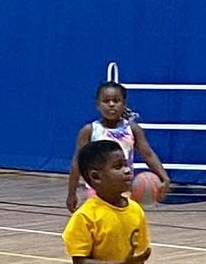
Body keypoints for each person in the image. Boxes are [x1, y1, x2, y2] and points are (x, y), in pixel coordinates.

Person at [66, 81, 169, 211]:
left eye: (116, 100)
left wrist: (163, 176)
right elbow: (77, 163)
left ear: (124, 104)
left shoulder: (132, 129)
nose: (111, 104)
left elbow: (148, 154)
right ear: (97, 105)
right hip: (97, 192)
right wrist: (71, 193)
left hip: (124, 190)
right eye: (106, 101)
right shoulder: (89, 130)